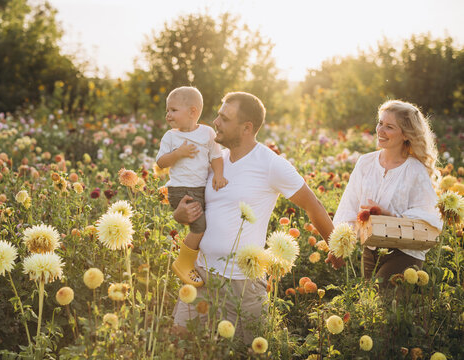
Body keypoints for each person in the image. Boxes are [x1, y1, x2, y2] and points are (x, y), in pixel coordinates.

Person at [172, 91, 343, 343]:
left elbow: (312, 204)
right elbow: (194, 208)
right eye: (218, 115)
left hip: (242, 284)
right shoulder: (213, 158)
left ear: (246, 128)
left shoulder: (271, 165)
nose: (216, 122)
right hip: (201, 273)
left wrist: (334, 245)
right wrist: (180, 214)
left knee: (246, 351)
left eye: (224, 118)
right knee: (180, 340)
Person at [333, 100, 443, 285]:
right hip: (371, 248)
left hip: (404, 251)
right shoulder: (365, 163)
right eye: (380, 123)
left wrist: (392, 216)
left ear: (406, 135)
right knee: (371, 306)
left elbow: (431, 216)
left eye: (389, 127)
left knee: (384, 298)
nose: (380, 130)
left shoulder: (415, 170)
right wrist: (338, 247)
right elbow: (349, 206)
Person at [156, 86, 228, 287]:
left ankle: (199, 261)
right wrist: (178, 153)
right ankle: (184, 263)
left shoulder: (207, 133)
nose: (168, 114)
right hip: (180, 189)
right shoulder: (170, 137)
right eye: (167, 110)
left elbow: (215, 157)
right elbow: (161, 162)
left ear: (193, 112)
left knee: (206, 223)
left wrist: (219, 175)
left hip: (200, 188)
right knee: (200, 226)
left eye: (173, 110)